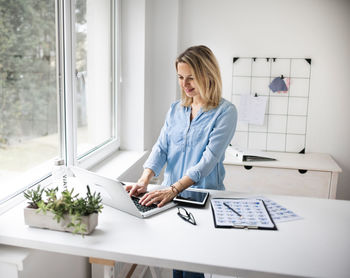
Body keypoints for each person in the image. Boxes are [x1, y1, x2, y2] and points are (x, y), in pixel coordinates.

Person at [125, 45, 237, 278]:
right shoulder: (176, 109)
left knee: (194, 269)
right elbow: (161, 147)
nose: (184, 85)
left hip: (202, 197)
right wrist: (144, 179)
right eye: (180, 77)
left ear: (208, 75)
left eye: (191, 78)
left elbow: (208, 160)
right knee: (178, 265)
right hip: (170, 198)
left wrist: (174, 188)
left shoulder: (225, 112)